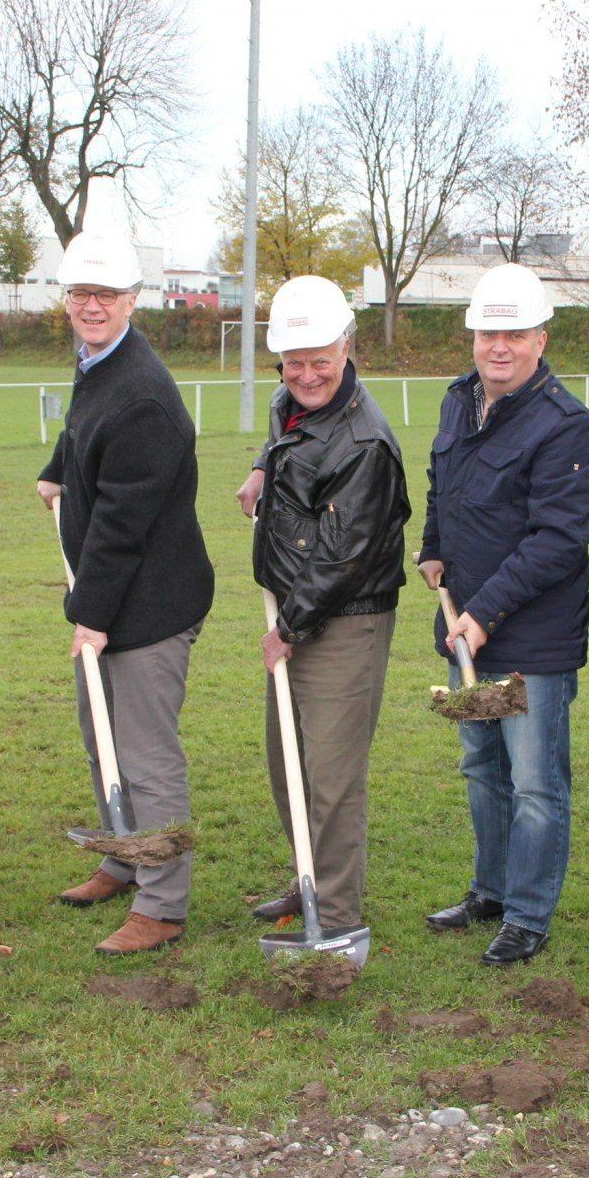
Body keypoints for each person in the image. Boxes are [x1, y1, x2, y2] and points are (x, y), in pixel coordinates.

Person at [416, 264, 589, 965]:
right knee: (481, 765)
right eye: (489, 333)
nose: (500, 346)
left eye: (515, 334)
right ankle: (490, 891)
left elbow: (557, 539)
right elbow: (442, 484)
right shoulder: (458, 402)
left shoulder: (567, 426)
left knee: (534, 783)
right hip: (467, 630)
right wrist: (434, 546)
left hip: (532, 640)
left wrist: (485, 611)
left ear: (540, 339)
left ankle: (527, 914)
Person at [38, 231, 214, 955]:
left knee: (144, 754)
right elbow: (86, 430)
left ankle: (162, 904)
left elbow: (121, 523)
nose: (92, 306)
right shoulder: (98, 364)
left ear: (133, 300)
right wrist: (58, 467)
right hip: (115, 596)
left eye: (106, 295)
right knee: (100, 738)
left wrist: (91, 616)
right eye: (81, 293)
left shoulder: (141, 392)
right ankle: (122, 856)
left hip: (151, 603)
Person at [235, 275, 408, 938]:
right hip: (299, 606)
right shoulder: (292, 402)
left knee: (332, 778)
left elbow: (344, 556)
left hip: (343, 617)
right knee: (289, 762)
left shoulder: (364, 443)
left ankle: (333, 917)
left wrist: (288, 628)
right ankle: (306, 873)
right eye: (294, 362)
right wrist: (263, 467)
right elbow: (285, 427)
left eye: (320, 361)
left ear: (346, 350)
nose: (307, 375)